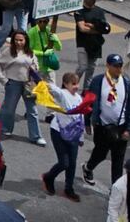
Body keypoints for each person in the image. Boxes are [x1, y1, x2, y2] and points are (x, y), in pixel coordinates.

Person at [84, 55, 130, 186]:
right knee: (100, 153)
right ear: (108, 66)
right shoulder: (98, 81)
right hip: (102, 126)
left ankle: (115, 189)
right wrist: (87, 122)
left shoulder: (127, 83)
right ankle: (88, 167)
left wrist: (129, 129)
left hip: (120, 127)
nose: (118, 69)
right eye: (115, 66)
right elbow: (89, 104)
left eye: (120, 66)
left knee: (118, 160)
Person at [41, 72, 87, 202]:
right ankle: (48, 177)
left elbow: (80, 117)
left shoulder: (79, 98)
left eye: (77, 83)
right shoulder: (62, 94)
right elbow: (52, 88)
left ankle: (69, 189)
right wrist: (38, 78)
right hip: (58, 132)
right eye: (73, 84)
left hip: (73, 134)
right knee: (64, 163)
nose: (76, 86)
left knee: (72, 163)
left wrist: (81, 137)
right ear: (65, 84)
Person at [0, 29, 45, 145]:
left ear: (25, 40)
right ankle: (6, 130)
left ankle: (36, 136)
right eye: (16, 40)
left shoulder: (30, 52)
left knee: (32, 110)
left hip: (28, 84)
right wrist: (3, 80)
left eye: (21, 40)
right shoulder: (8, 51)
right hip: (13, 83)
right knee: (9, 109)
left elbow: (35, 64)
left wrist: (35, 68)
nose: (18, 42)